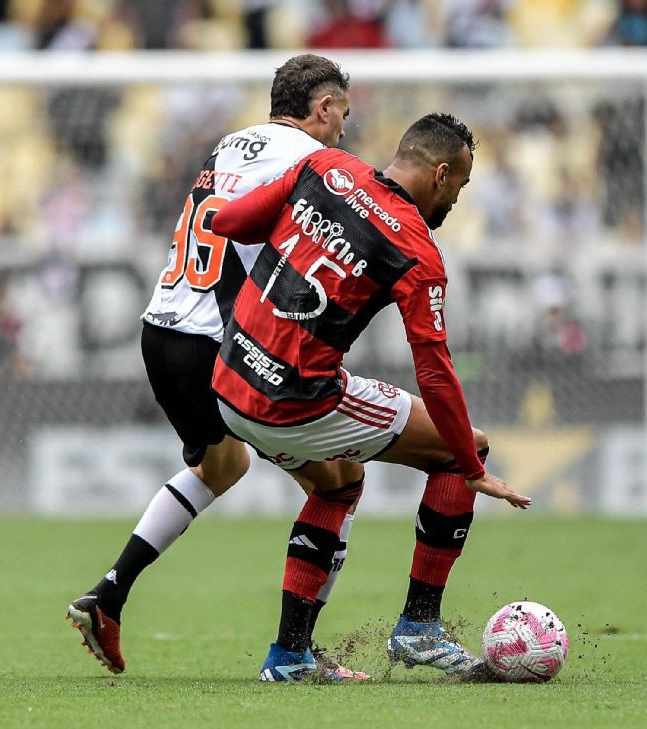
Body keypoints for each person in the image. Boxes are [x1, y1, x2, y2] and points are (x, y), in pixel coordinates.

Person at [66, 54, 366, 679]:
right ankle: (296, 656)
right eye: (342, 111)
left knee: (222, 462)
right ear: (321, 108)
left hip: (162, 328)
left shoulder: (230, 144)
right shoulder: (310, 163)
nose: (344, 124)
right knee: (338, 481)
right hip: (219, 343)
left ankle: (109, 595)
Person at [207, 113, 531, 683]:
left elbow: (231, 221)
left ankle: (289, 658)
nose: (456, 198)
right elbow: (435, 372)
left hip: (230, 383)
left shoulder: (324, 166)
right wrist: (473, 466)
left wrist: (303, 232)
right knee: (461, 448)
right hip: (295, 399)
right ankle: (421, 629)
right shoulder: (416, 249)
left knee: (339, 483)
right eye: (460, 185)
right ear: (440, 173)